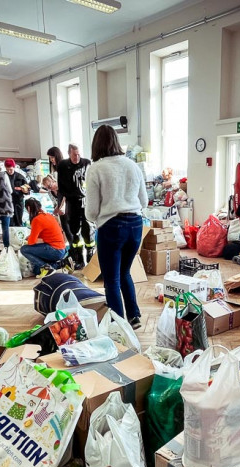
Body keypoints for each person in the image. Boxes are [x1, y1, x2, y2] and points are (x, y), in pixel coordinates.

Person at [85, 125, 147, 328]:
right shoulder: (132, 165)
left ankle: (119, 325)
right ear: (116, 142)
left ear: (96, 145)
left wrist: (96, 216)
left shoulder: (96, 168)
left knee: (111, 279)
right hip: (136, 225)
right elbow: (144, 201)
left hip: (111, 227)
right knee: (125, 272)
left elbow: (92, 211)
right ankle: (134, 316)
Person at [56, 144, 94, 266]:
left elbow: (92, 182)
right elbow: (61, 187)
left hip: (86, 201)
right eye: (74, 155)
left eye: (78, 154)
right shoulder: (63, 165)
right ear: (69, 154)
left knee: (88, 230)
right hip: (71, 202)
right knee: (74, 231)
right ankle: (78, 259)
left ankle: (90, 254)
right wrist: (61, 204)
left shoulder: (86, 163)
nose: (77, 157)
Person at [20, 198, 68, 277]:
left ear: (28, 208)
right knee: (36, 271)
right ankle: (60, 264)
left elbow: (31, 242)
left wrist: (31, 238)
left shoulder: (37, 220)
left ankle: (46, 268)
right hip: (61, 249)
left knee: (24, 249)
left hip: (54, 250)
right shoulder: (48, 216)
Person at [4, 159, 28, 227]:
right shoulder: (3, 176)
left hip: (18, 202)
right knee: (9, 222)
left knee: (18, 221)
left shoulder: (20, 177)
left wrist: (24, 190)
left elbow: (28, 189)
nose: (9, 171)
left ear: (14, 167)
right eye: (7, 169)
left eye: (11, 169)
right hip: (7, 202)